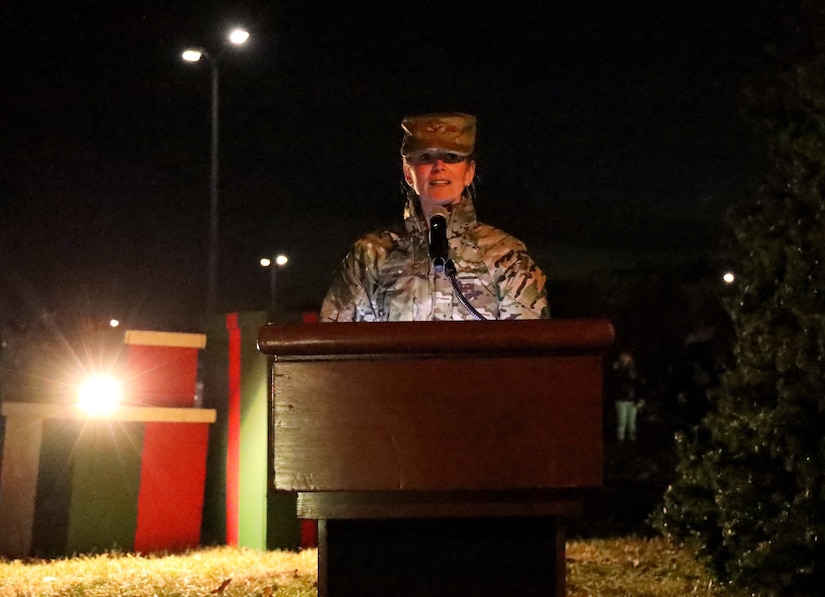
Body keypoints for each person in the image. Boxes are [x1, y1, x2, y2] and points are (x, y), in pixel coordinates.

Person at [320, 112, 549, 321]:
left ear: (469, 172)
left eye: (451, 156)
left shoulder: (506, 256)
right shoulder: (370, 256)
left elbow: (529, 351)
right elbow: (337, 347)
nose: (439, 166)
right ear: (408, 173)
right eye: (426, 157)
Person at [609, 351, 643, 443]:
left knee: (631, 423)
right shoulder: (617, 370)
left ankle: (632, 442)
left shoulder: (634, 371)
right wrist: (614, 370)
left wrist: (640, 399)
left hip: (632, 400)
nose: (624, 359)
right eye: (623, 357)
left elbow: (639, 385)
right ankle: (621, 441)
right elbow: (613, 383)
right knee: (622, 422)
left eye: (626, 357)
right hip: (621, 399)